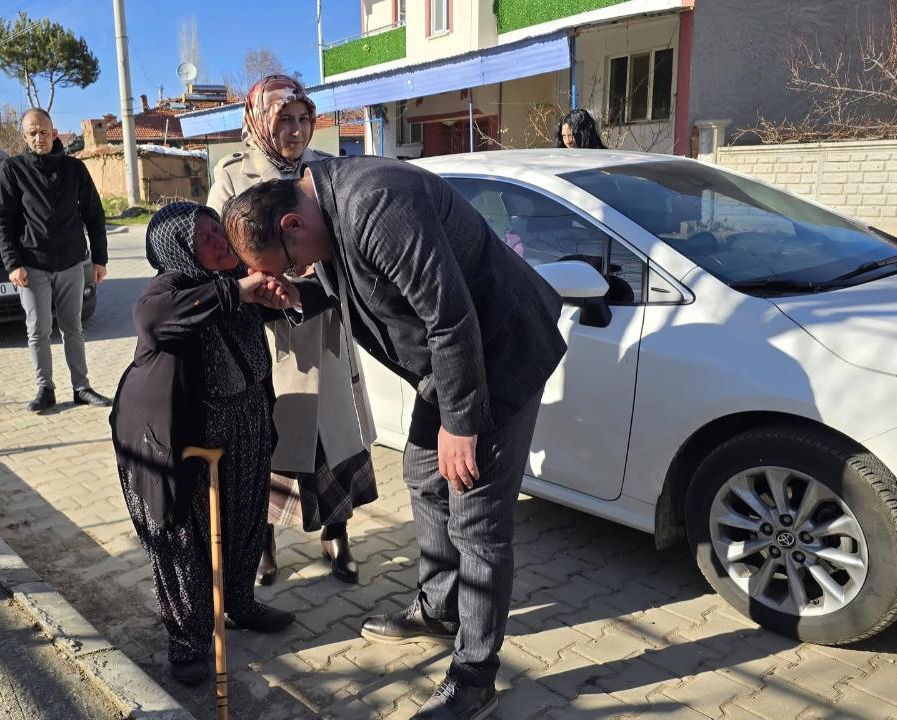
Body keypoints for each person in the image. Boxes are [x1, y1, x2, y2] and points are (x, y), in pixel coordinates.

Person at [222, 156, 568, 720]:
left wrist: (461, 424)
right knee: (424, 475)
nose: (291, 275)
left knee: (476, 516)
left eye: (286, 268)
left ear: (291, 225)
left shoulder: (374, 203)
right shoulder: (324, 211)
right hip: (451, 365)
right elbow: (355, 293)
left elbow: (451, 318)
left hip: (499, 354)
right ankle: (441, 607)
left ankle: (475, 678)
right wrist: (286, 299)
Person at [109, 203, 298, 686]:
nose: (218, 239)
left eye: (218, 228)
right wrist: (237, 290)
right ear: (178, 248)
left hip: (247, 418)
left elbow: (280, 306)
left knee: (245, 518)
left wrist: (277, 297)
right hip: (178, 435)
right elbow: (151, 320)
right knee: (186, 538)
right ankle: (188, 638)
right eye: (203, 235)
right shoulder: (168, 288)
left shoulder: (240, 274)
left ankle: (239, 602)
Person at [207, 74, 376, 586]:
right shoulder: (233, 177)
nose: (296, 130)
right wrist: (262, 281)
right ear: (260, 122)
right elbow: (217, 252)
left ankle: (336, 532)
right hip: (264, 330)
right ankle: (262, 545)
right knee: (266, 436)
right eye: (284, 119)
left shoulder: (326, 171)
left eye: (304, 119)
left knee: (333, 433)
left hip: (324, 321)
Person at [0, 108, 112, 412]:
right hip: (32, 266)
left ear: (54, 132)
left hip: (72, 262)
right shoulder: (12, 170)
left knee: (73, 326)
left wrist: (99, 259)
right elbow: (2, 221)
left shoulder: (74, 170)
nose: (38, 138)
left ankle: (81, 387)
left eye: (44, 132)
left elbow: (94, 215)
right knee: (38, 330)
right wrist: (12, 264)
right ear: (24, 136)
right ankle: (45, 388)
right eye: (32, 133)